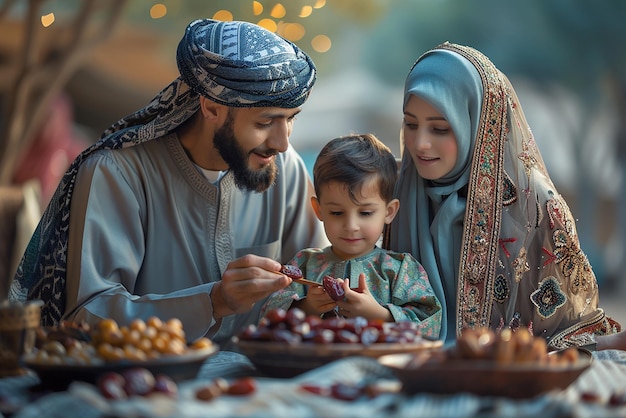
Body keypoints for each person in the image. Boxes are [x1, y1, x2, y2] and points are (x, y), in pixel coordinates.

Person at [8, 19, 329, 349]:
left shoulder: (284, 170)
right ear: (212, 108)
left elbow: (317, 275)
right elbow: (87, 317)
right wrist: (213, 301)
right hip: (144, 385)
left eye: (290, 119)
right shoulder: (116, 174)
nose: (281, 142)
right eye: (265, 122)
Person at [384, 41, 626, 351]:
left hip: (511, 378)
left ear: (477, 123)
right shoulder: (398, 193)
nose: (420, 144)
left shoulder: (533, 205)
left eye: (440, 129)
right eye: (411, 124)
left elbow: (568, 330)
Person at [263, 134, 442, 337]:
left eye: (365, 213)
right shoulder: (304, 265)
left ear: (389, 211)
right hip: (314, 365)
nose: (351, 226)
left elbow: (431, 324)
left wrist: (380, 315)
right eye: (337, 213)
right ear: (318, 209)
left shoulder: (400, 270)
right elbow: (268, 317)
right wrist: (308, 307)